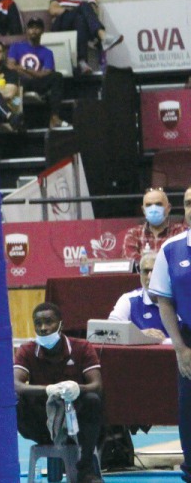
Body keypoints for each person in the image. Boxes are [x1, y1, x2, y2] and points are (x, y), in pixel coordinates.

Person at [14, 302, 104, 483]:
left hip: (76, 423)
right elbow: (15, 384)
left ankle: (85, 469)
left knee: (93, 399)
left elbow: (97, 385)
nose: (43, 328)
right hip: (42, 423)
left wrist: (78, 388)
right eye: (38, 324)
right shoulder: (27, 350)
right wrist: (47, 390)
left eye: (49, 322)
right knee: (15, 400)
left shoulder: (82, 347)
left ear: (61, 324)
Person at [148, 230, 191, 483]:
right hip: (188, 339)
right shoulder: (171, 249)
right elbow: (165, 301)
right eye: (187, 203)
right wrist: (180, 349)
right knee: (189, 409)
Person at [50, 0, 121, 74]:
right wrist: (74, 11)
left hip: (80, 28)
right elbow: (53, 10)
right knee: (83, 7)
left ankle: (82, 62)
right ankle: (103, 36)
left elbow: (93, 13)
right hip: (62, 27)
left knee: (81, 20)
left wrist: (72, 11)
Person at [7, 18, 68, 129]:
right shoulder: (16, 47)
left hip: (37, 83)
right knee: (15, 80)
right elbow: (10, 66)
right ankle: (14, 117)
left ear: (42, 31)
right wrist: (34, 73)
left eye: (37, 27)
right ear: (26, 30)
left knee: (57, 77)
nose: (34, 30)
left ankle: (54, 118)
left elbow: (46, 73)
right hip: (21, 81)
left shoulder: (47, 52)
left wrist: (24, 68)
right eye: (31, 27)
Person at [108, 251, 168, 339]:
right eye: (145, 271)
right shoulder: (128, 300)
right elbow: (108, 332)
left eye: (155, 270)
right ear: (139, 273)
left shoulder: (183, 299)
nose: (150, 277)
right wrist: (139, 335)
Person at [122, 188, 186, 269]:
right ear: (143, 210)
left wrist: (147, 260)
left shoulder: (182, 232)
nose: (154, 209)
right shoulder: (133, 234)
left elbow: (183, 261)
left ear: (168, 208)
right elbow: (133, 264)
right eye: (148, 205)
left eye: (158, 204)